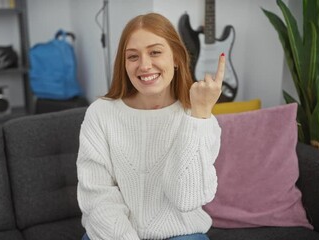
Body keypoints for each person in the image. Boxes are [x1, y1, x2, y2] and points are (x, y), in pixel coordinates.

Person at [77, 12, 225, 240]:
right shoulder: (100, 114)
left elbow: (187, 198)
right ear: (124, 64)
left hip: (182, 234)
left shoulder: (199, 117)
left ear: (176, 57)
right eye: (133, 56)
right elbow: (97, 197)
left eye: (155, 52)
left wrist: (199, 117)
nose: (144, 65)